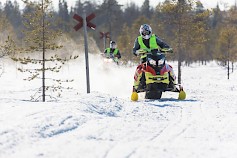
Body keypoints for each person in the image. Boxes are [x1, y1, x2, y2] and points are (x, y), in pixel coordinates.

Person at [132, 24, 176, 92]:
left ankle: (173, 84)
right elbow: (134, 49)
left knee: (168, 67)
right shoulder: (138, 39)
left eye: (147, 32)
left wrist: (167, 48)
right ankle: (136, 86)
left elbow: (162, 44)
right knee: (139, 69)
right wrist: (137, 52)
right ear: (141, 33)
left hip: (157, 57)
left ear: (150, 31)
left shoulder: (154, 37)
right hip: (145, 58)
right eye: (144, 32)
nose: (145, 33)